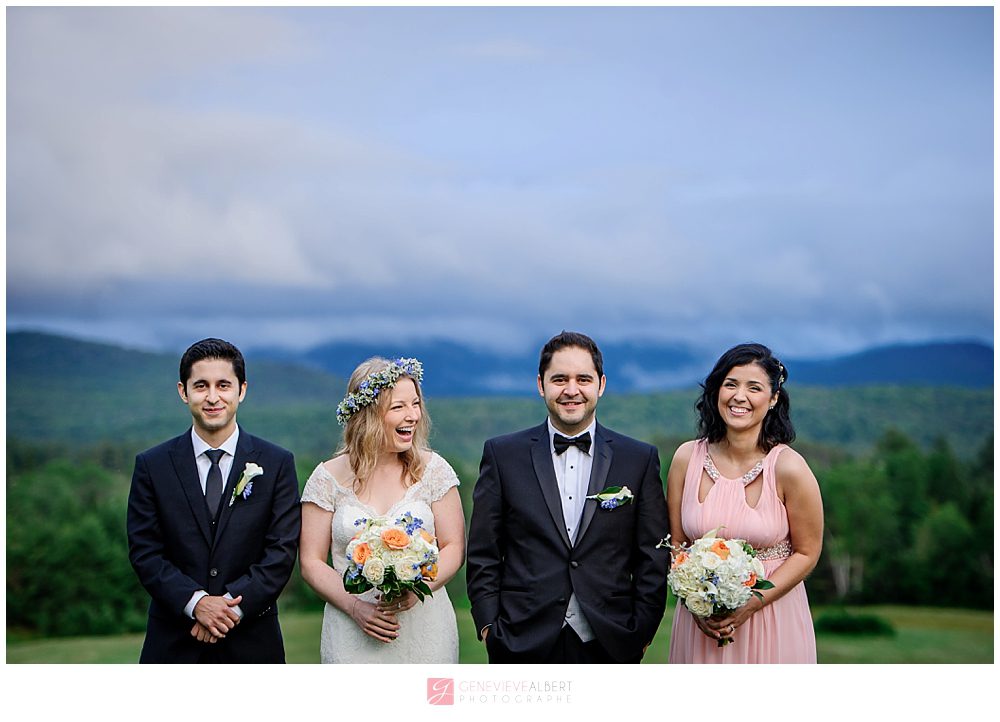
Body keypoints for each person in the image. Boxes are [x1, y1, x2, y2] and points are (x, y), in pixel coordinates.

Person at [466, 331, 669, 663]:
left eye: (583, 379)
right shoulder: (503, 455)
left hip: (610, 640)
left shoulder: (639, 459)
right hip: (520, 640)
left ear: (600, 385)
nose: (571, 390)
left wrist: (641, 631)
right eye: (559, 379)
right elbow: (483, 553)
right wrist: (490, 628)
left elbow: (652, 556)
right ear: (541, 384)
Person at [127, 338, 301, 663]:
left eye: (223, 385)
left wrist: (228, 610)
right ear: (183, 391)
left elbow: (281, 551)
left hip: (253, 643)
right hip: (174, 643)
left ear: (242, 390)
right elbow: (145, 552)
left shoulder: (277, 463)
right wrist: (196, 603)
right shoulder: (152, 466)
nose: (212, 397)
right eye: (201, 385)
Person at [299, 357, 464, 663]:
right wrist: (355, 607)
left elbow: (454, 547)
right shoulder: (327, 478)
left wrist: (420, 588)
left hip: (425, 631)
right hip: (351, 631)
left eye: (415, 404)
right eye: (398, 407)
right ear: (368, 414)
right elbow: (310, 561)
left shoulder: (434, 470)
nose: (413, 415)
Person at [666, 343, 823, 663]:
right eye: (731, 384)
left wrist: (752, 602)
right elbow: (678, 547)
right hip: (700, 627)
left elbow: (807, 552)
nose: (740, 396)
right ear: (716, 391)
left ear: (774, 398)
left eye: (754, 387)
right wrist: (694, 604)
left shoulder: (789, 468)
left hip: (772, 619)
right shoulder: (686, 459)